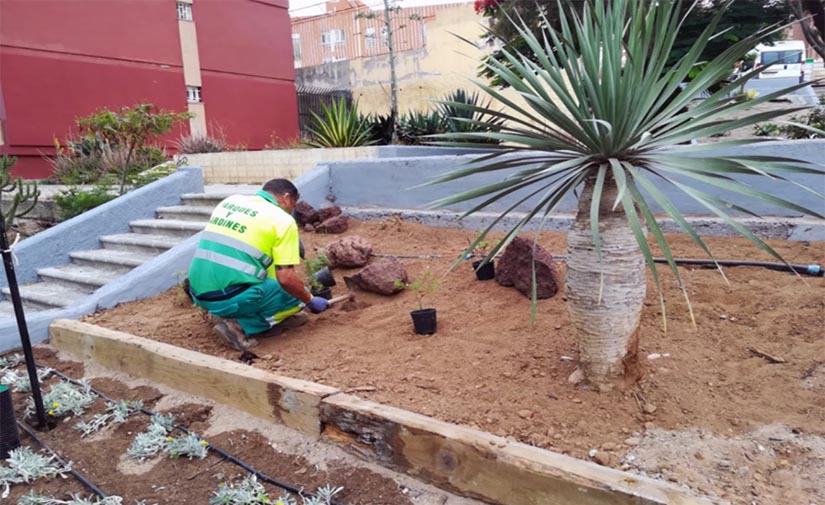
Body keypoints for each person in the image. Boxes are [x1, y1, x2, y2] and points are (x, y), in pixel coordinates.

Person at [187, 178, 329, 350]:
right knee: (298, 297)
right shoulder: (282, 221)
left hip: (197, 292)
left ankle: (259, 312)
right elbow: (286, 280)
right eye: (293, 204)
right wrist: (310, 299)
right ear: (285, 198)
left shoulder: (230, 201)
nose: (292, 210)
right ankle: (239, 327)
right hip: (226, 300)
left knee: (268, 275)